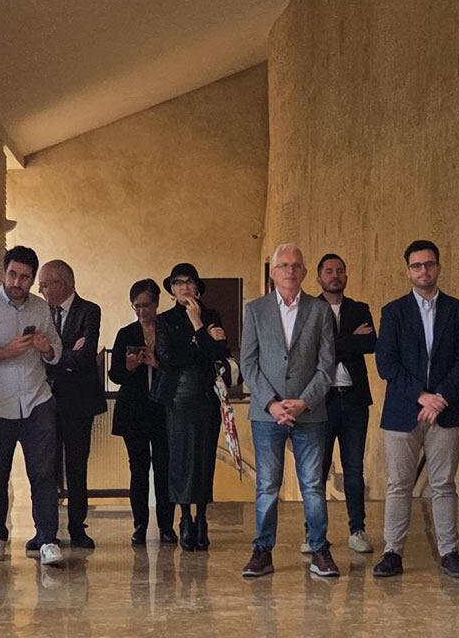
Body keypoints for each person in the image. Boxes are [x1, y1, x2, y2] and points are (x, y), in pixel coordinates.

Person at [372, 239, 459, 580]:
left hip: (445, 411)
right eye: (416, 266)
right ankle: (392, 553)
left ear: (438, 267)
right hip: (403, 411)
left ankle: (449, 553)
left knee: (443, 484)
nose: (423, 270)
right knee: (399, 484)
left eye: (429, 264)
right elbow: (386, 364)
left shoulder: (457, 310)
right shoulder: (393, 312)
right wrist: (421, 396)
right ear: (408, 272)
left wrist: (440, 396)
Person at [0, 245, 65, 566]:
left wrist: (45, 349)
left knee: (44, 475)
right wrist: (6, 351)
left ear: (33, 280)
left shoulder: (40, 308)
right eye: (12, 274)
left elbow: (56, 351)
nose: (17, 282)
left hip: (37, 400)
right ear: (4, 273)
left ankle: (47, 540)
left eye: (25, 277)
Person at [241, 243, 338, 579]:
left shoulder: (319, 311)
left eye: (296, 266)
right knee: (267, 485)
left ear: (305, 272)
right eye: (283, 265)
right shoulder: (255, 311)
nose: (290, 271)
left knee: (312, 484)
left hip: (309, 413)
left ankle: (319, 549)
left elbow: (327, 365)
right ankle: (262, 551)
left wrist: (304, 401)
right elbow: (248, 363)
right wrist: (271, 403)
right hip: (267, 414)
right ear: (273, 272)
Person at [152, 262, 229, 552]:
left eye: (188, 281)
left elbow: (219, 353)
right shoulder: (165, 320)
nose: (183, 286)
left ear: (197, 286)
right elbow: (167, 358)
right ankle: (184, 519)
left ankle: (202, 518)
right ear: (172, 289)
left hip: (207, 397)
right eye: (177, 282)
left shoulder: (211, 315)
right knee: (181, 459)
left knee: (204, 458)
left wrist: (198, 326)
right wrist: (200, 341)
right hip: (178, 398)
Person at [37, 258, 106, 549]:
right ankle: (46, 531)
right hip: (47, 401)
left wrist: (52, 354)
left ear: (60, 284)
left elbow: (86, 357)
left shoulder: (89, 311)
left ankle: (77, 527)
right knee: (46, 468)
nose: (40, 291)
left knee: (77, 468)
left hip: (78, 404)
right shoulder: (42, 313)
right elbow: (37, 357)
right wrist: (66, 354)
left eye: (44, 285)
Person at [311, 252, 376, 555]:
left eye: (339, 271)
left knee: (353, 468)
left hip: (354, 399)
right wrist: (350, 340)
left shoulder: (359, 309)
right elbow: (310, 352)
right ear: (319, 277)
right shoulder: (310, 310)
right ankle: (314, 532)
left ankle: (357, 530)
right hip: (321, 401)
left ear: (346, 276)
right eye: (329, 271)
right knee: (318, 469)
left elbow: (370, 343)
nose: (335, 275)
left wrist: (332, 346)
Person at [108, 278, 175, 545]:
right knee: (138, 468)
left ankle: (167, 526)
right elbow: (114, 374)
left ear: (156, 303)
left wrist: (156, 363)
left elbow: (178, 368)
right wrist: (129, 367)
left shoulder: (168, 330)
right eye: (136, 306)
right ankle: (140, 524)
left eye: (146, 305)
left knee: (164, 468)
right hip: (134, 410)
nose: (141, 311)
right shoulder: (126, 333)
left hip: (163, 410)